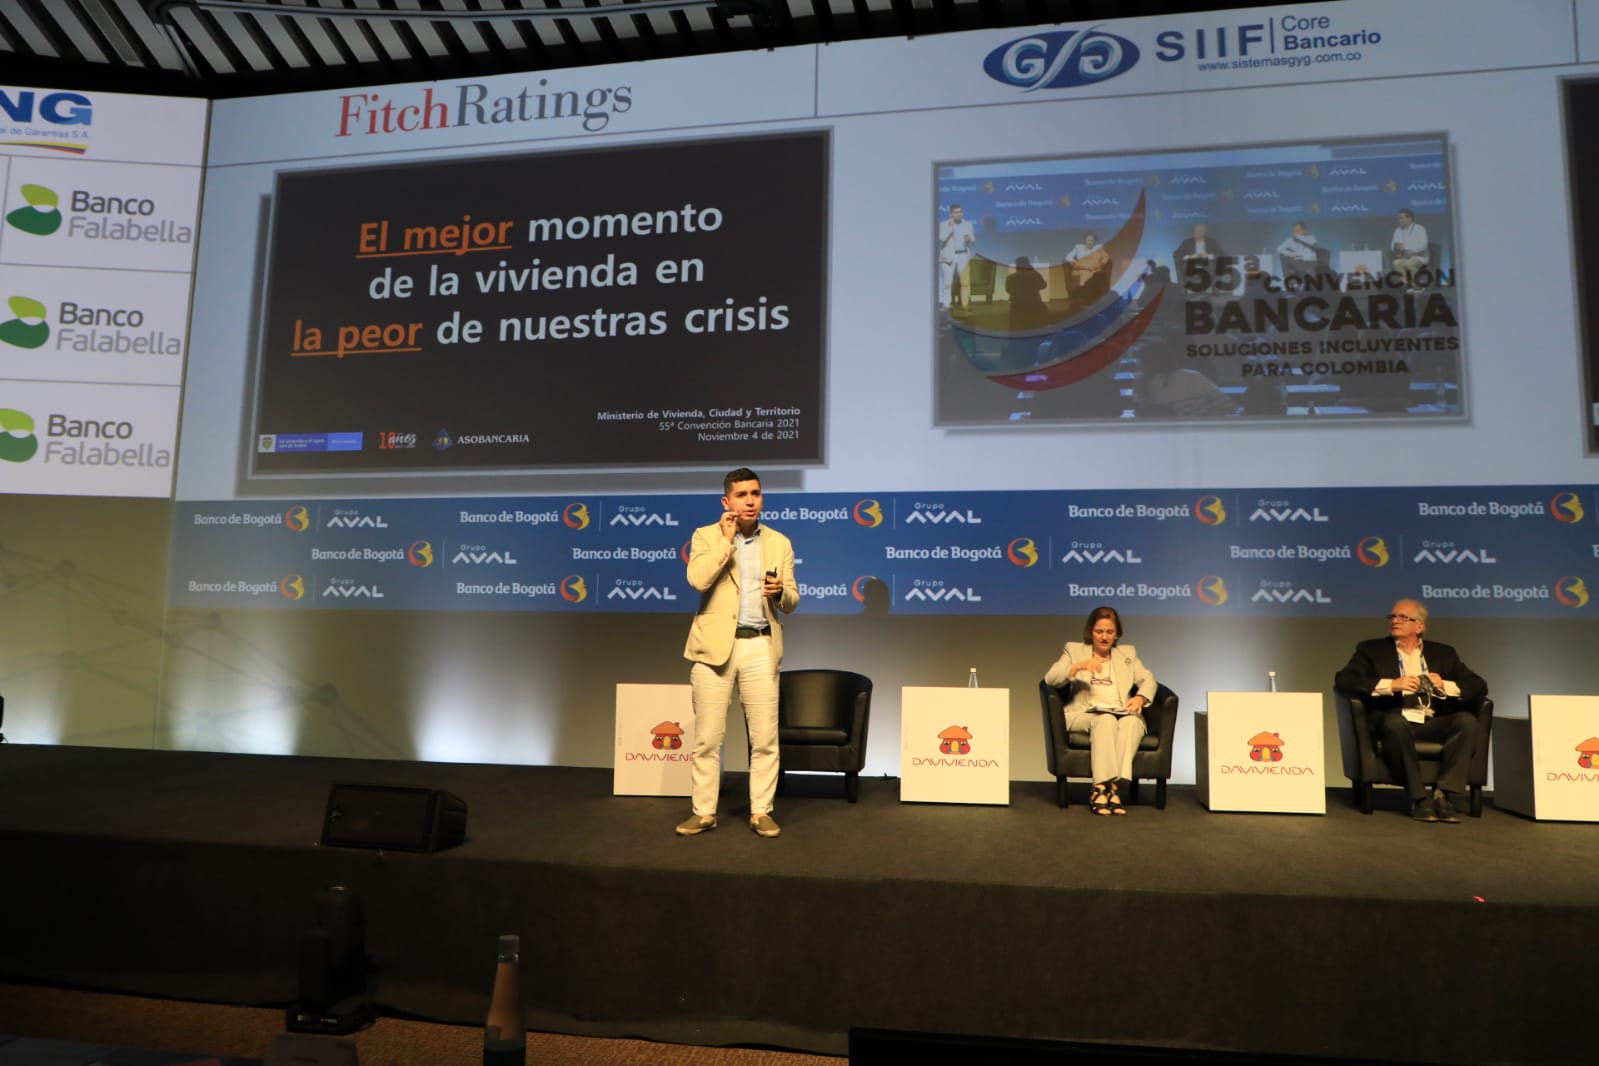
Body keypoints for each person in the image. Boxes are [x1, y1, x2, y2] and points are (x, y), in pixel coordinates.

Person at [677, 468, 800, 838]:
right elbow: (697, 580)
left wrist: (780, 592)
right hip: (714, 650)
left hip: (760, 644)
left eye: (756, 493)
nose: (750, 500)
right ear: (726, 501)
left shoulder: (780, 542)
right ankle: (704, 812)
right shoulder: (706, 536)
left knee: (764, 739)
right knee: (708, 739)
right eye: (742, 494)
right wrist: (726, 542)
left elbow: (793, 600)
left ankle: (761, 810)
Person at [1334, 599, 1487, 823]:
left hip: (1432, 721)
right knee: (1395, 723)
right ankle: (1419, 798)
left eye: (1403, 617)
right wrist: (1392, 685)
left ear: (1419, 626)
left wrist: (1445, 685)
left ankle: (1442, 795)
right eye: (1392, 617)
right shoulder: (1371, 650)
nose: (1395, 621)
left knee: (1466, 721)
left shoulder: (1444, 653)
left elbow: (1478, 685)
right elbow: (1345, 680)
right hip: (1393, 720)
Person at [1043, 606, 1158, 815]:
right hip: (1083, 713)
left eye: (1109, 632)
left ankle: (1113, 789)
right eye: (1099, 632)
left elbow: (1148, 680)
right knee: (1105, 720)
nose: (1104, 637)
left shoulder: (1127, 654)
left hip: (1121, 712)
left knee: (1132, 722)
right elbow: (1050, 679)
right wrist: (1077, 667)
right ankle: (1099, 787)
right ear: (1090, 632)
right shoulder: (1074, 650)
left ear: (1117, 634)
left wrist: (1140, 697)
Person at [937, 203, 976, 310]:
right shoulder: (943, 224)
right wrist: (951, 225)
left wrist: (969, 239)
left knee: (965, 283)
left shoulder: (968, 224)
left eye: (960, 212)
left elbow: (973, 239)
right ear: (951, 214)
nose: (959, 214)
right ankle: (946, 304)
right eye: (956, 212)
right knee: (947, 283)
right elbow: (942, 238)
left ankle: (965, 305)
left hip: (963, 254)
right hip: (948, 256)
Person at [1390, 208, 1429, 293]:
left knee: (1410, 263)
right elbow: (1393, 245)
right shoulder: (1398, 230)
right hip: (1405, 256)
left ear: (1409, 218)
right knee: (1396, 263)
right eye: (1399, 218)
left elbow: (1423, 245)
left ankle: (1418, 286)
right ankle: (1409, 285)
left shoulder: (1420, 228)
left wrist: (1409, 249)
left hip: (1419, 256)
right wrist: (1397, 247)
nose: (1399, 220)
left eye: (1401, 218)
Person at [1064, 232, 1110, 301]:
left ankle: (1089, 298)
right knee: (1086, 273)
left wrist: (1101, 264)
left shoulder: (1098, 248)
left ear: (1095, 241)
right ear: (1084, 241)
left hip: (1095, 269)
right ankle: (1086, 297)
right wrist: (1074, 263)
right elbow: (1068, 257)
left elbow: (1106, 257)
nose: (1089, 242)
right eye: (1087, 240)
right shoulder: (1078, 247)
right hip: (1082, 269)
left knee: (1096, 276)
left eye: (1091, 240)